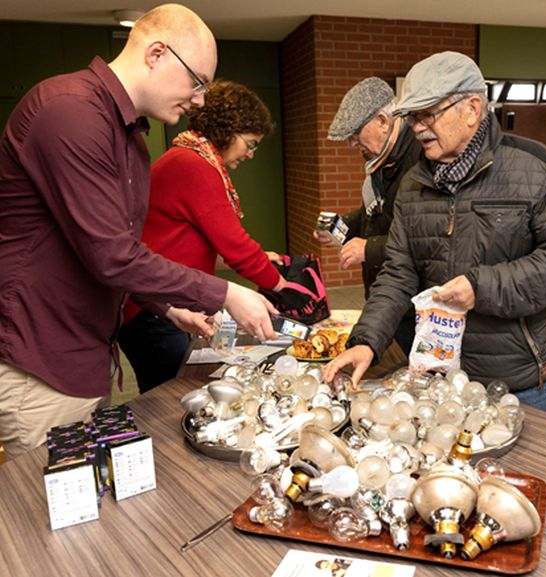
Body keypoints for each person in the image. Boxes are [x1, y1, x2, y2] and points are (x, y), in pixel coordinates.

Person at [0, 4, 280, 457]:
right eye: (197, 82)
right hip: (43, 360)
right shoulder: (70, 111)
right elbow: (111, 255)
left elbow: (115, 251)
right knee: (55, 517)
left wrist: (168, 309)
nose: (200, 101)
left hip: (85, 354)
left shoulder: (129, 135)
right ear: (156, 54)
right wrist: (226, 294)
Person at [323, 52, 546, 414]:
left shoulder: (538, 168)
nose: (417, 128)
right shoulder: (413, 183)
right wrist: (367, 341)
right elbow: (398, 272)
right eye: (413, 117)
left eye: (427, 114)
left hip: (519, 381)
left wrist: (481, 288)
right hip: (439, 379)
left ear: (472, 108)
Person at [118, 79, 287, 393]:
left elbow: (191, 239)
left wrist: (264, 261)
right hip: (152, 308)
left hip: (161, 301)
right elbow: (236, 246)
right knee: (172, 394)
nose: (250, 155)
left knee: (180, 385)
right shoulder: (193, 165)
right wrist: (285, 287)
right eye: (250, 143)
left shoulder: (188, 157)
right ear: (228, 129)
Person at [318, 77, 422, 355]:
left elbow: (427, 239)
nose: (352, 144)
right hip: (387, 300)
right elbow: (375, 215)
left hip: (414, 307)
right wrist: (341, 227)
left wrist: (370, 248)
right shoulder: (381, 161)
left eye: (355, 134)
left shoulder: (422, 161)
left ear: (382, 121)